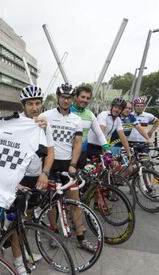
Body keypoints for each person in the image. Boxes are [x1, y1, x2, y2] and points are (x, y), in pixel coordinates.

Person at [41, 83, 97, 252]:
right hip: (50, 164)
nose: (66, 100)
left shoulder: (76, 119)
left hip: (67, 164)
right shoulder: (46, 115)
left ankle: (81, 237)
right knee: (51, 204)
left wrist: (73, 164)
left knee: (75, 202)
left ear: (72, 99)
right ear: (58, 97)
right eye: (63, 97)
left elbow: (78, 143)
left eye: (69, 98)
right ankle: (53, 232)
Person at [10, 85, 55, 275]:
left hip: (36, 177)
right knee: (15, 223)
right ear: (23, 105)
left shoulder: (44, 124)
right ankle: (18, 262)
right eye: (30, 104)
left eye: (38, 103)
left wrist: (44, 173)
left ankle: (24, 253)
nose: (35, 107)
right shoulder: (16, 123)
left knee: (26, 220)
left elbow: (50, 152)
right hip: (18, 178)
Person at [70, 85, 109, 168]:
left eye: (88, 98)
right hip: (67, 153)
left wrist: (107, 149)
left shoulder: (90, 114)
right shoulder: (67, 111)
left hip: (82, 154)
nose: (85, 100)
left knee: (80, 180)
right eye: (82, 97)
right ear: (75, 97)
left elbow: (99, 134)